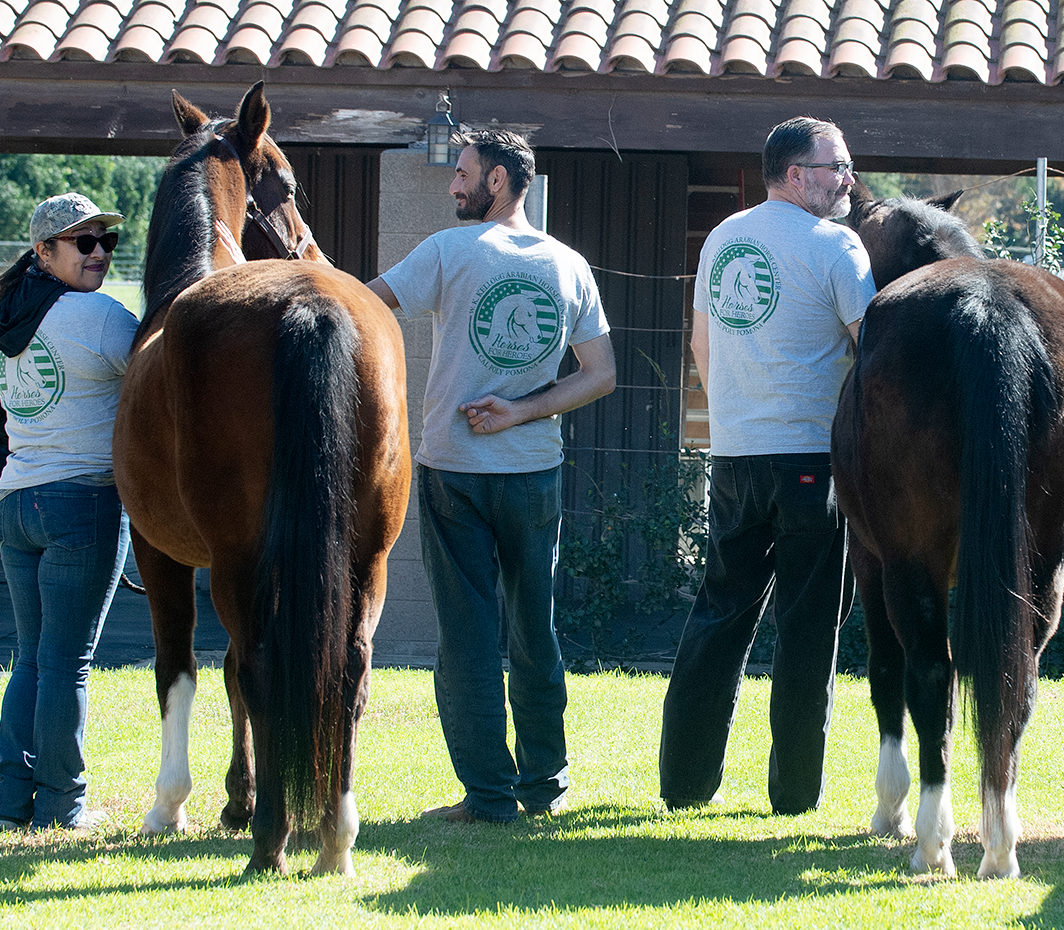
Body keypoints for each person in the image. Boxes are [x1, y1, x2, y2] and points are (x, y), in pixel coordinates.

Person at [368, 129, 616, 824]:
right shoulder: (569, 265)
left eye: (464, 174)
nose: (453, 186)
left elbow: (362, 304)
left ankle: (486, 797)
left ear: (499, 180)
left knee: (468, 637)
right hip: (534, 473)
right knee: (534, 631)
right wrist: (522, 412)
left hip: (453, 472)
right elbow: (602, 375)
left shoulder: (448, 251)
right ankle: (545, 786)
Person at [658, 117, 874, 815]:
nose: (848, 178)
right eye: (836, 166)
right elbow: (873, 350)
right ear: (795, 173)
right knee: (808, 625)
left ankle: (684, 785)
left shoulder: (722, 238)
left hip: (734, 453)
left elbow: (700, 346)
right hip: (811, 459)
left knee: (719, 612)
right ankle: (793, 795)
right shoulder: (836, 245)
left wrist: (735, 415)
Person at [0, 192, 139, 832]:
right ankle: (62, 805)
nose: (98, 252)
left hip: (16, 504)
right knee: (64, 662)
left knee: (34, 657)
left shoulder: (3, 321)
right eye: (83, 242)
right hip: (84, 503)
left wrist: (37, 428)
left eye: (106, 241)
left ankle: (9, 803)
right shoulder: (100, 318)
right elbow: (161, 382)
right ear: (43, 253)